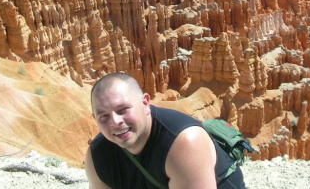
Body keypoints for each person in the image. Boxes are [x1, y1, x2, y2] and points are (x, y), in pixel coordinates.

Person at [85, 73, 246, 189]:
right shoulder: (97, 155)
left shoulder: (183, 143)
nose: (115, 121)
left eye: (123, 109)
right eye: (103, 116)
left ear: (145, 103)